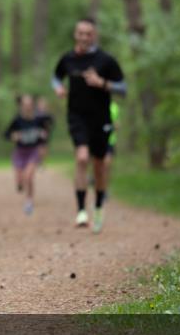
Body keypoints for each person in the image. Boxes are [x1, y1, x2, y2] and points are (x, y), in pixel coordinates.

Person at [52, 17, 126, 233]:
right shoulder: (67, 59)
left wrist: (102, 83)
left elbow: (123, 88)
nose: (84, 37)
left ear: (94, 35)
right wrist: (58, 88)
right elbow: (56, 77)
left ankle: (99, 206)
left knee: (99, 166)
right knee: (82, 158)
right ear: (76, 34)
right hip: (76, 116)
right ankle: (81, 211)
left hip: (101, 119)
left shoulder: (106, 60)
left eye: (88, 33)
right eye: (80, 33)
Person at [5, 94, 48, 215]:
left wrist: (43, 138)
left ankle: (29, 201)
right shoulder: (17, 120)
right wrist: (13, 136)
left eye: (29, 104)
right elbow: (6, 134)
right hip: (20, 152)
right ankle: (20, 184)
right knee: (20, 180)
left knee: (28, 177)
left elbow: (44, 135)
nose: (27, 107)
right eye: (25, 105)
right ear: (21, 106)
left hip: (33, 152)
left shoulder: (38, 120)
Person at [34, 95, 54, 169]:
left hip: (46, 133)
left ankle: (41, 162)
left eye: (43, 104)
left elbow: (51, 122)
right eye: (40, 104)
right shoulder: (35, 114)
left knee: (44, 149)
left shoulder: (47, 114)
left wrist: (47, 128)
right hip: (37, 133)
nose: (42, 105)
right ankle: (38, 161)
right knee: (38, 148)